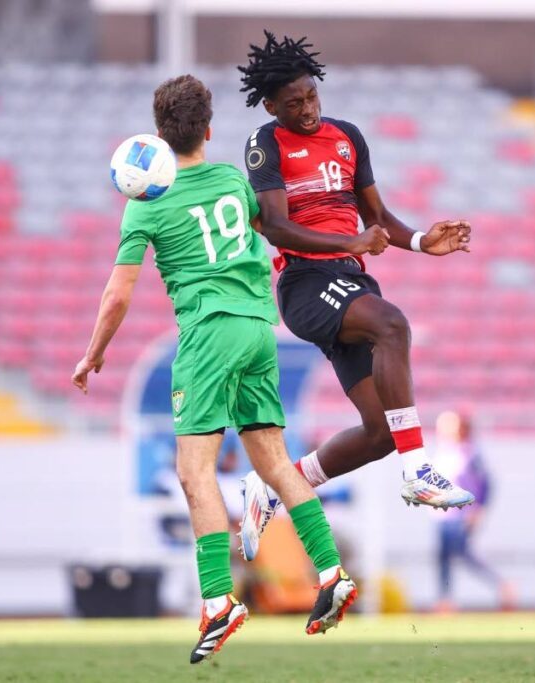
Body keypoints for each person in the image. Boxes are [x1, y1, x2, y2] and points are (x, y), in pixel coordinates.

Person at [72, 75, 357, 665]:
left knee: (194, 471)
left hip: (208, 332)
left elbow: (118, 295)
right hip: (258, 329)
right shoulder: (232, 178)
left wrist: (95, 351)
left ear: (156, 134)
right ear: (208, 128)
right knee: (274, 460)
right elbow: (260, 227)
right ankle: (331, 572)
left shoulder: (144, 205)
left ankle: (217, 602)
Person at [234, 32, 475, 559]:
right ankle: (418, 471)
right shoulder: (265, 143)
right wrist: (350, 241)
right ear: (272, 105)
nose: (306, 110)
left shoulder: (347, 137)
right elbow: (275, 226)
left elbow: (378, 219)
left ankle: (273, 485)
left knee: (380, 431)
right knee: (392, 325)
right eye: (293, 104)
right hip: (305, 283)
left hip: (349, 282)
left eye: (311, 96)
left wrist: (417, 241)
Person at [431, 410, 515, 613]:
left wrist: (478, 509)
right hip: (442, 514)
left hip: (462, 514)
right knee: (443, 557)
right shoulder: (443, 451)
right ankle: (445, 600)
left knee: (461, 552)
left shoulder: (470, 452)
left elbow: (486, 483)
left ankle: (501, 585)